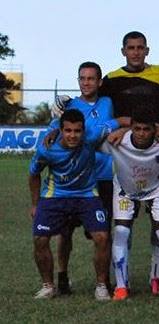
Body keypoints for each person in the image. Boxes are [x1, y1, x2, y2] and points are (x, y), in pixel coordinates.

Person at [46, 62, 121, 296]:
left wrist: (114, 125)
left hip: (105, 176)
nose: (86, 82)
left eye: (91, 78)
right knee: (65, 232)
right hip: (75, 179)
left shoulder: (108, 103)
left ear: (99, 82)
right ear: (78, 81)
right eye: (82, 78)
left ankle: (103, 281)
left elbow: (118, 122)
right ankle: (63, 275)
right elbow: (54, 133)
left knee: (103, 233)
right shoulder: (70, 107)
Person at [29, 109, 117, 300]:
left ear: (84, 131)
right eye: (68, 131)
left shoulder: (92, 137)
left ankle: (101, 286)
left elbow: (119, 121)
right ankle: (48, 286)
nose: (73, 135)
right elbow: (34, 174)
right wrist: (35, 204)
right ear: (61, 130)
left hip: (87, 195)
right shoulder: (47, 148)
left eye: (77, 131)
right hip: (55, 196)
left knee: (102, 236)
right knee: (40, 239)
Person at [101, 109, 159, 301]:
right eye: (137, 129)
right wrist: (120, 129)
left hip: (157, 189)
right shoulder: (116, 142)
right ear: (131, 128)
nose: (142, 133)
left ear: (154, 130)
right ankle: (121, 287)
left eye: (147, 129)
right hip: (125, 191)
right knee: (121, 233)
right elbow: (88, 140)